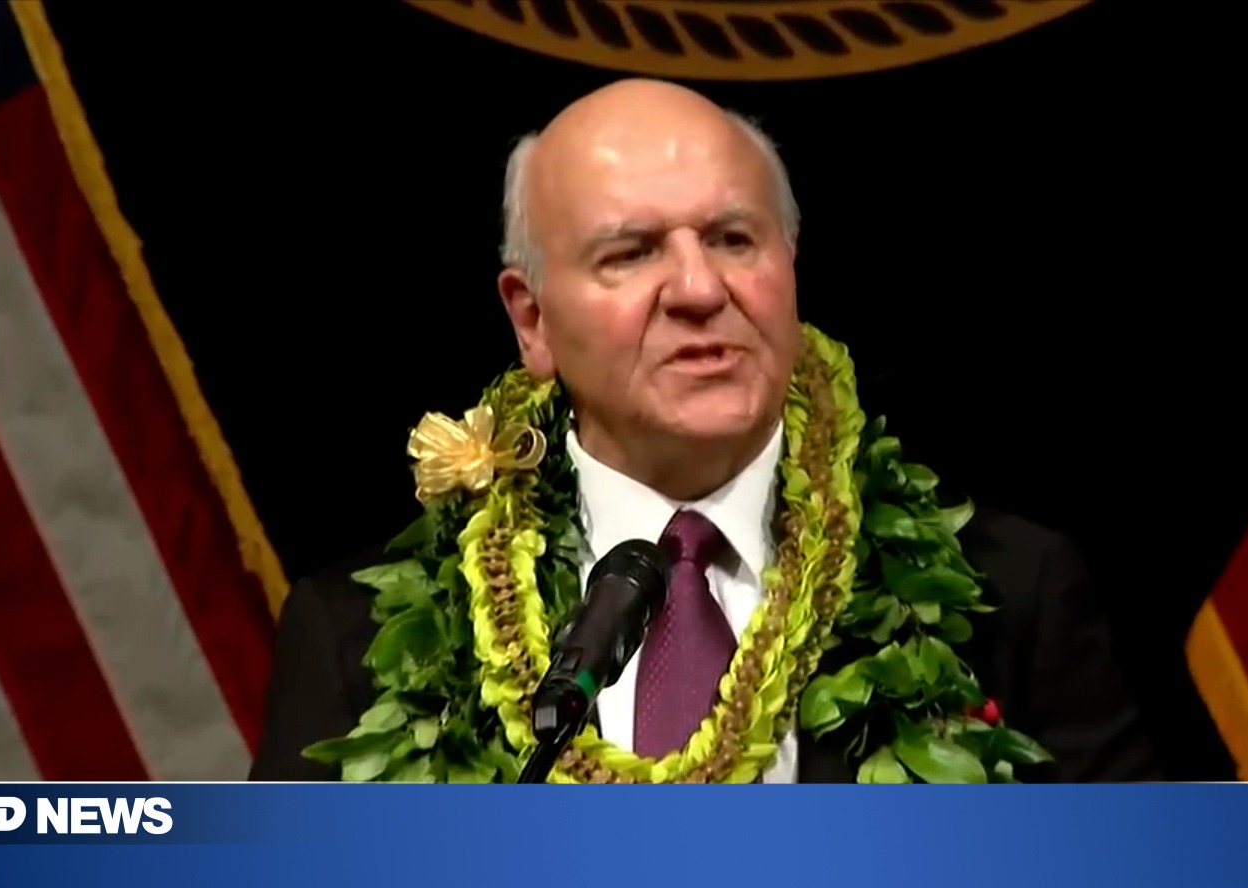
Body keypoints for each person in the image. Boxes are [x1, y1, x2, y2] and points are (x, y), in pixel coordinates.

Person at [249, 78, 1159, 786]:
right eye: (632, 252)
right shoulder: (357, 643)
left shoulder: (1010, 599)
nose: (697, 289)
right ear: (533, 320)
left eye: (732, 239)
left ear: (789, 266)